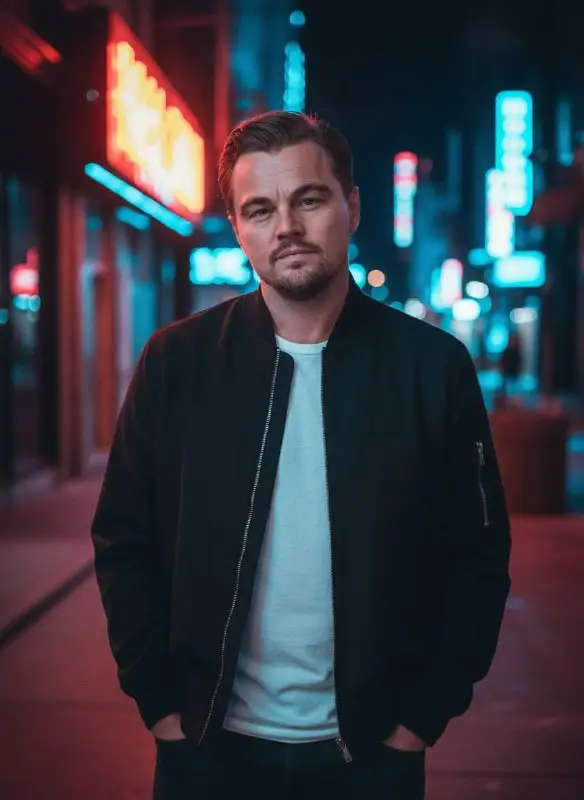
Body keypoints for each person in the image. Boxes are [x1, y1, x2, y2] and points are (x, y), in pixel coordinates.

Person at [91, 110, 512, 800]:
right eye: (259, 209)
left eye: (308, 199)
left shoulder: (431, 368)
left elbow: (477, 553)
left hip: (373, 755)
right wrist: (161, 705)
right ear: (239, 230)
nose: (284, 226)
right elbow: (123, 537)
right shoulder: (178, 364)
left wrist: (420, 717)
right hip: (205, 749)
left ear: (351, 205)